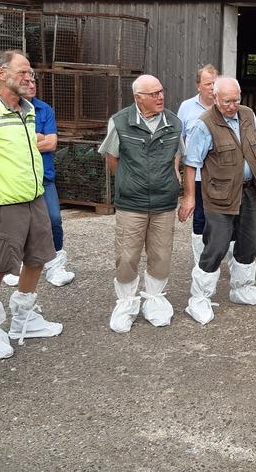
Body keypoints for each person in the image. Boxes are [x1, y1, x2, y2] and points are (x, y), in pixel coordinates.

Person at [0, 50, 63, 359]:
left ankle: (24, 318)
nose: (29, 77)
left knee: (36, 259)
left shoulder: (29, 110)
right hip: (2, 205)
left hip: (34, 199)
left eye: (31, 72)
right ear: (2, 74)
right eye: (22, 72)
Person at [179, 76, 256, 325]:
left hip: (249, 191)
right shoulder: (203, 124)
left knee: (250, 241)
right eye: (227, 101)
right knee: (217, 245)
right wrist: (189, 197)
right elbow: (191, 164)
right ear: (215, 98)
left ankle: (241, 288)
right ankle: (199, 298)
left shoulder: (248, 115)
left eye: (236, 99)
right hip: (219, 195)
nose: (232, 105)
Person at [98, 74, 184, 332]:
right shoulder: (120, 121)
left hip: (163, 202)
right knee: (127, 256)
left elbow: (177, 156)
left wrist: (175, 184)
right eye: (153, 93)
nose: (160, 97)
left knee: (161, 254)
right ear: (138, 98)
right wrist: (129, 181)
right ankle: (126, 304)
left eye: (161, 91)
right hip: (131, 202)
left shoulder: (174, 123)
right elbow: (112, 159)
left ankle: (155, 301)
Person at [2, 83, 75, 288]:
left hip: (45, 177)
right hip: (16, 178)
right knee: (19, 223)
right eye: (26, 81)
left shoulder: (45, 109)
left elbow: (51, 143)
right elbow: (6, 147)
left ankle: (56, 266)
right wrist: (36, 140)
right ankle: (15, 267)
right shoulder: (3, 110)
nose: (32, 85)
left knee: (53, 219)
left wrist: (23, 144)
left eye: (33, 81)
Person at [176, 64, 220, 264]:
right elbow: (179, 140)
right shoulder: (186, 107)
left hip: (221, 176)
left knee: (221, 218)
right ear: (198, 86)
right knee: (200, 216)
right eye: (208, 84)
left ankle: (219, 256)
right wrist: (175, 168)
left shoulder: (225, 104)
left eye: (215, 83)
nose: (212, 87)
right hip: (198, 175)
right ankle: (200, 262)